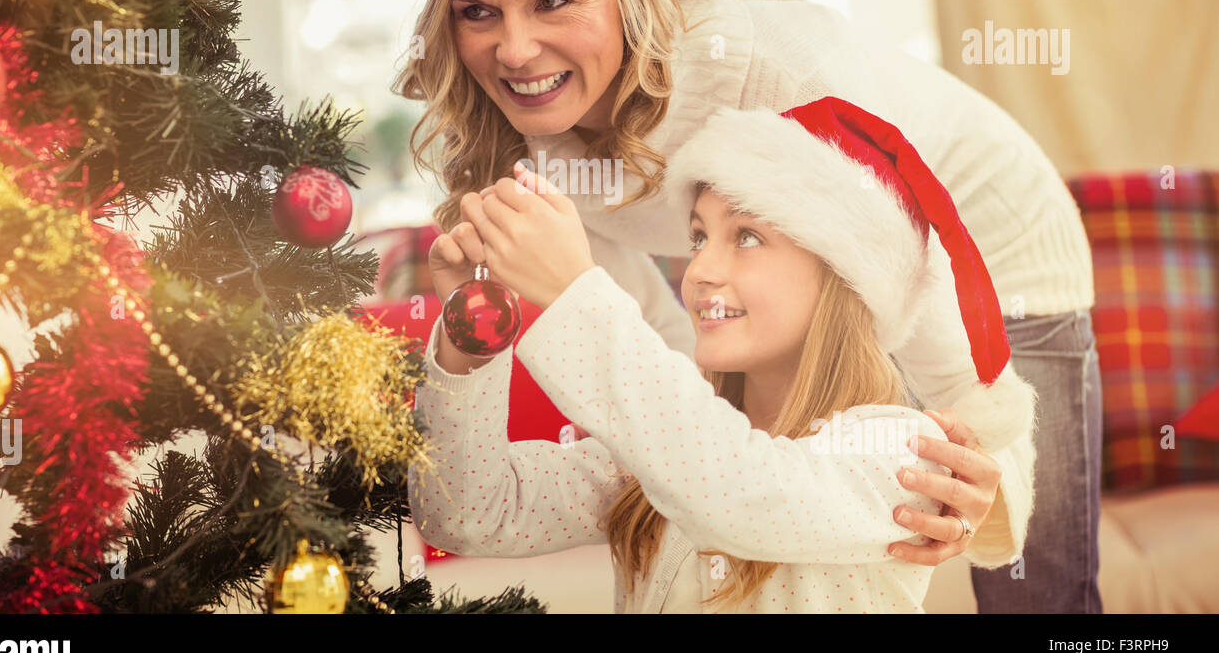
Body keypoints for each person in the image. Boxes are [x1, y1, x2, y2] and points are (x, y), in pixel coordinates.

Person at [394, 0, 1101, 612]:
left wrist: (985, 468)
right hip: (814, 334)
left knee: (1035, 592)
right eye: (479, 12)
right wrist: (473, 346)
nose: (513, 52)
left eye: (553, 2)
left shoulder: (778, 73)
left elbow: (905, 273)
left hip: (990, 253)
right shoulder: (535, 150)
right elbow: (670, 383)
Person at [409, 97, 1036, 613]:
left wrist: (578, 292)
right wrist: (472, 337)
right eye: (699, 236)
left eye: (748, 237)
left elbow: (741, 492)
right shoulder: (661, 453)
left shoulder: (898, 451)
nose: (701, 269)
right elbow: (468, 513)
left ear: (844, 275)